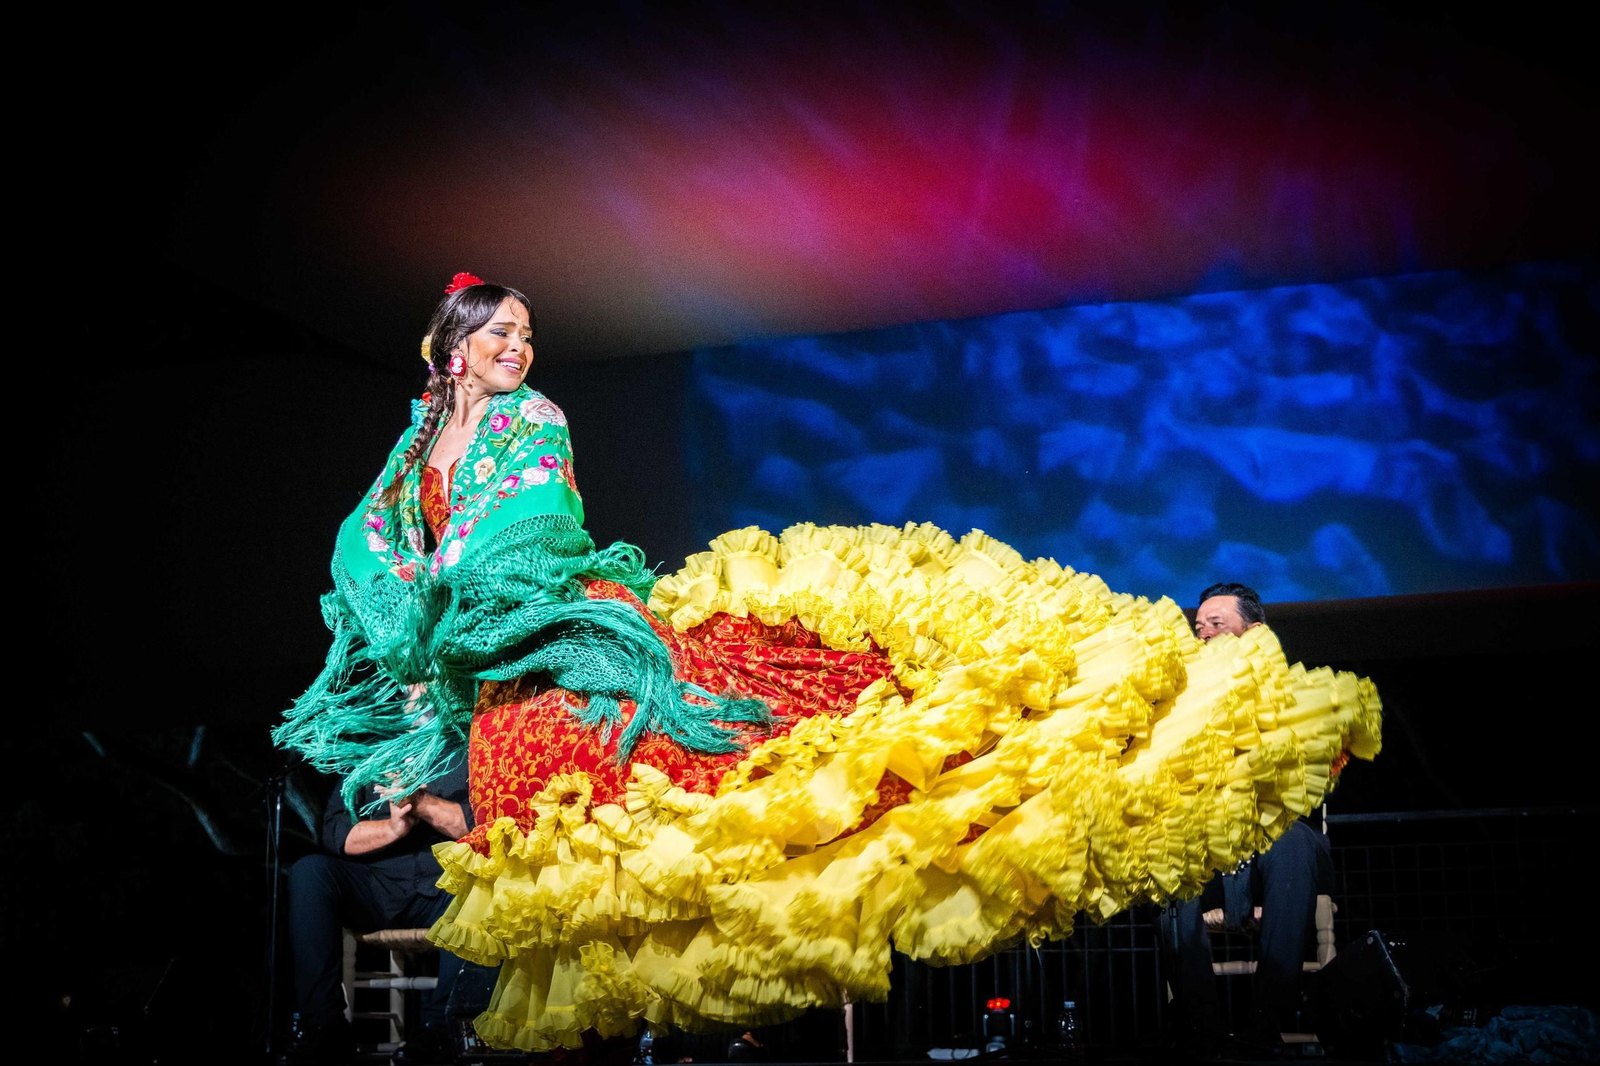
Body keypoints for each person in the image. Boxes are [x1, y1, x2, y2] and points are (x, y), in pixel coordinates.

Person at [275, 274, 1382, 1052]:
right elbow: (369, 544)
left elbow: (524, 533)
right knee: (549, 838)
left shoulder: (536, 418)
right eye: (500, 333)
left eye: (527, 331)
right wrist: (410, 623)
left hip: (543, 630)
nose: (519, 346)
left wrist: (455, 612)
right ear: (454, 343)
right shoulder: (415, 442)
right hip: (476, 677)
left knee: (690, 750)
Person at [1162, 582, 1338, 1052]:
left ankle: (1266, 1026)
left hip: (1275, 855)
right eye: (1199, 628)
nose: (1204, 635)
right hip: (1209, 855)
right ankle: (1206, 1032)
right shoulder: (1179, 700)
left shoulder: (1292, 693)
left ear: (1254, 631)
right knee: (1167, 863)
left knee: (1292, 843)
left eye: (1217, 624)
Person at [282, 761, 473, 1065]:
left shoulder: (466, 747)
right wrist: (393, 828)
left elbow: (480, 825)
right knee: (310, 872)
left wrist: (421, 803)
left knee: (481, 889)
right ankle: (325, 1027)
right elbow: (336, 834)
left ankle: (440, 1031)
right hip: (377, 887)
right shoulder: (371, 753)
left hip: (448, 889)